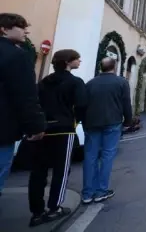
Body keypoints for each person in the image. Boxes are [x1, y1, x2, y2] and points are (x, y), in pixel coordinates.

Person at [28, 49, 86, 226]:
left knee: (38, 171)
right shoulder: (75, 82)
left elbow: (35, 102)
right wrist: (75, 121)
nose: (80, 61)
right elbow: (82, 105)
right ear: (68, 62)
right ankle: (55, 208)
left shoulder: (44, 82)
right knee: (61, 171)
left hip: (43, 129)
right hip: (64, 129)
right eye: (77, 59)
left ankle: (37, 211)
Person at [0, 13, 45, 196]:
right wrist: (35, 125)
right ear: (4, 29)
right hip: (3, 128)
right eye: (21, 26)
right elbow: (25, 94)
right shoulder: (17, 56)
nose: (25, 31)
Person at [81, 57, 132, 204]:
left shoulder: (90, 84)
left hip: (92, 123)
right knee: (107, 156)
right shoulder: (121, 83)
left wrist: (84, 122)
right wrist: (128, 121)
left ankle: (87, 193)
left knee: (90, 157)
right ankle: (101, 191)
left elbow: (83, 105)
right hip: (113, 122)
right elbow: (126, 103)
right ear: (114, 67)